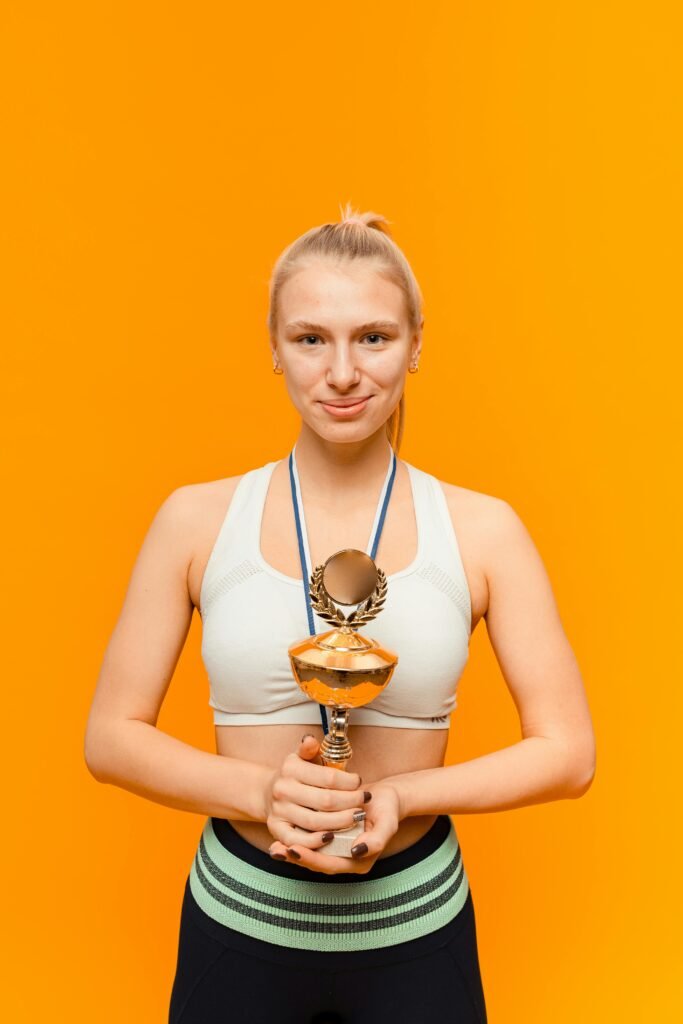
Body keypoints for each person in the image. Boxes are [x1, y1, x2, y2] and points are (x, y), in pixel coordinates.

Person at [84, 203, 596, 1023]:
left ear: (417, 345)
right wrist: (261, 792)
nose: (343, 372)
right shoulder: (194, 519)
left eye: (374, 337)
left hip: (415, 929)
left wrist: (403, 797)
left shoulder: (483, 530)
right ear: (274, 349)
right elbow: (109, 737)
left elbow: (568, 754)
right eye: (310, 338)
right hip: (237, 928)